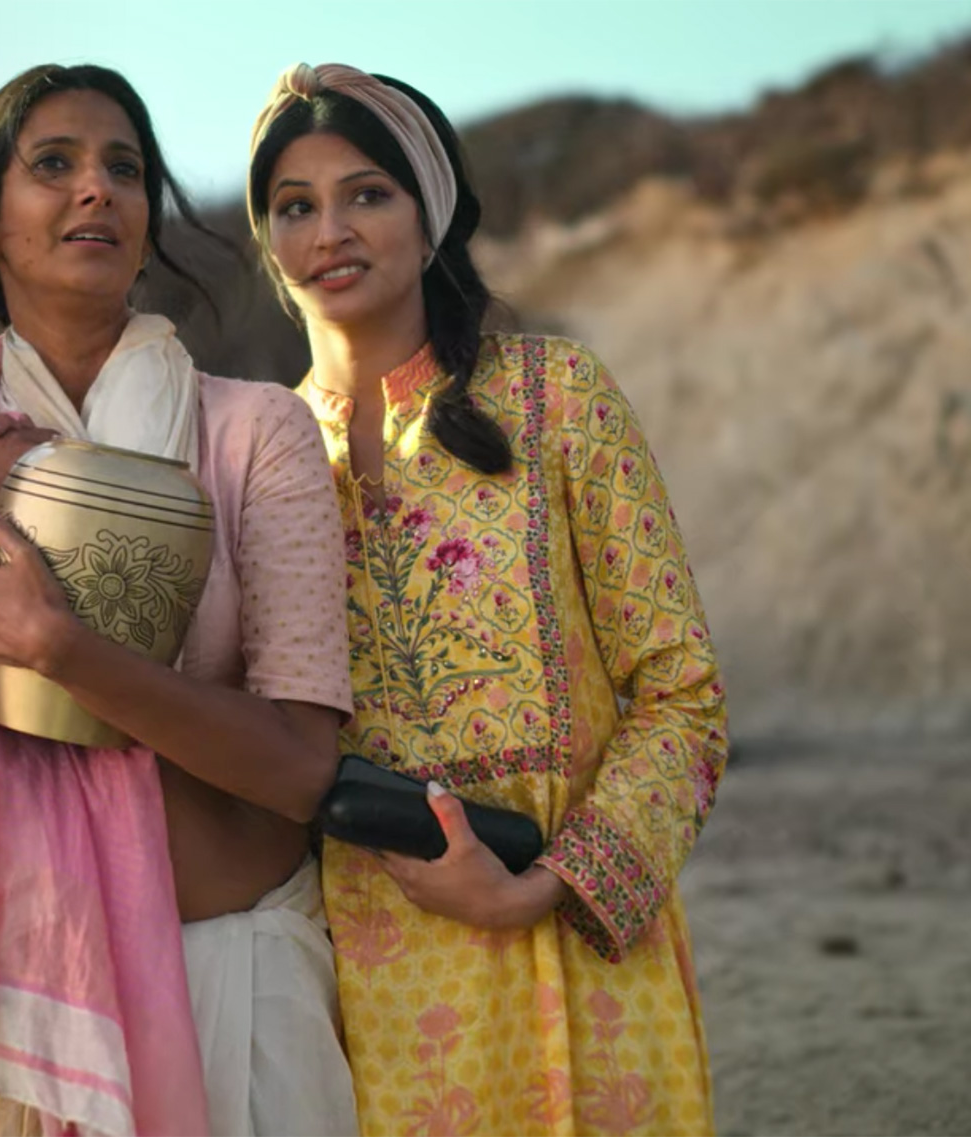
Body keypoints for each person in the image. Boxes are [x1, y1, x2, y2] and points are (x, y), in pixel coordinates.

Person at [0, 64, 361, 1136]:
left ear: (148, 225)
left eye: (124, 169)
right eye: (51, 166)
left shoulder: (249, 436)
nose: (95, 190)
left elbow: (296, 771)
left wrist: (67, 653)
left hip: (228, 991)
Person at [246, 64, 728, 1135]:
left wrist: (549, 883)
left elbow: (682, 701)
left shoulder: (559, 400)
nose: (330, 228)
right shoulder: (253, 461)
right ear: (269, 249)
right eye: (294, 206)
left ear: (430, 217)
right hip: (363, 979)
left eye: (366, 193)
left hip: (582, 951)